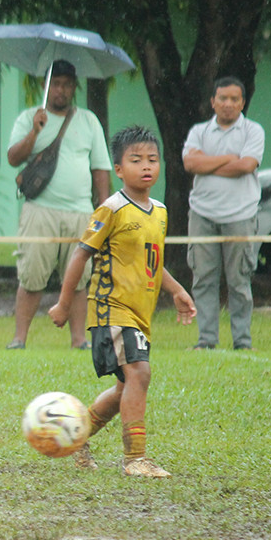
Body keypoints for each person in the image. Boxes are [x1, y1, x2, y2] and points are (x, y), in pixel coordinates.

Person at [48, 126, 197, 478]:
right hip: (111, 308)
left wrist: (176, 290)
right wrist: (64, 303)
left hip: (139, 313)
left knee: (124, 388)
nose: (146, 166)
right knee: (139, 374)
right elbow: (80, 257)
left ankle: (77, 435)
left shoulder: (159, 211)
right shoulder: (110, 209)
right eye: (136, 160)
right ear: (118, 169)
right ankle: (136, 459)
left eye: (152, 160)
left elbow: (152, 262)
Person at [7, 60, 112, 350]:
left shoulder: (89, 120)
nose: (60, 90)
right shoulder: (30, 117)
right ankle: (19, 338)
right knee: (31, 275)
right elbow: (14, 158)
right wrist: (35, 132)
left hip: (80, 211)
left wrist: (104, 211)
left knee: (79, 278)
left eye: (66, 84)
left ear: (74, 87)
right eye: (55, 83)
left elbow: (100, 169)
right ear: (45, 86)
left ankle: (79, 339)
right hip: (39, 209)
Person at [182, 77, 264, 350]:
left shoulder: (253, 131)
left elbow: (246, 165)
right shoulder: (199, 131)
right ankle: (206, 340)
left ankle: (242, 341)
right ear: (213, 102)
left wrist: (207, 163)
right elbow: (190, 163)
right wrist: (228, 158)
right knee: (203, 278)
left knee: (239, 281)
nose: (228, 104)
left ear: (242, 102)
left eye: (234, 99)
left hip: (240, 215)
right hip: (202, 214)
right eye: (222, 99)